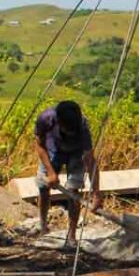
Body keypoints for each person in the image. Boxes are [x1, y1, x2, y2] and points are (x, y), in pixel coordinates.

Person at [34, 100, 101, 245]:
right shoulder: (46, 119)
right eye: (67, 129)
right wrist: (51, 172)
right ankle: (43, 227)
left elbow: (90, 160)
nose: (71, 132)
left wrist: (96, 193)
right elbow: (39, 146)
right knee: (43, 189)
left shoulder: (83, 128)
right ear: (58, 122)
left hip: (75, 154)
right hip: (51, 152)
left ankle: (71, 236)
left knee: (74, 193)